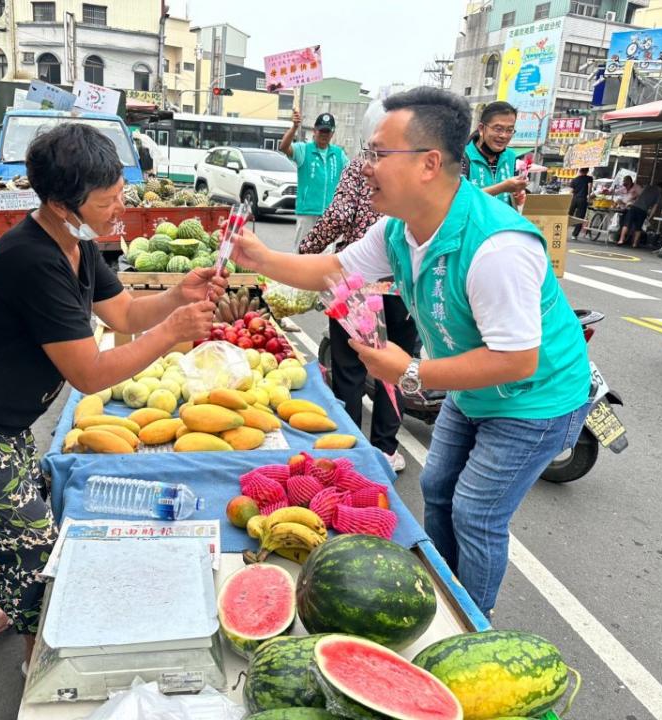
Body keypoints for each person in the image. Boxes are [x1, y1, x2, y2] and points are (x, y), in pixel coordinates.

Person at [228, 87, 591, 616]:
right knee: (437, 486)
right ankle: (444, 590)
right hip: (473, 391)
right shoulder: (398, 229)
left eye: (377, 153)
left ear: (428, 164)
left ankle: (473, 622)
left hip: (535, 400)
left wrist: (412, 370)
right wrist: (259, 256)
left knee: (476, 512)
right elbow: (333, 271)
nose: (365, 166)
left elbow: (517, 360)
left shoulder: (498, 247)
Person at [0, 123, 225, 669]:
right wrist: (171, 333)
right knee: (28, 542)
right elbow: (91, 374)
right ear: (60, 202)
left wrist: (174, 298)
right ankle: (40, 665)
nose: (120, 205)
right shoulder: (33, 260)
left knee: (10, 511)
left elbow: (121, 313)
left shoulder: (75, 242)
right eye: (108, 199)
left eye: (120, 190)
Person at [298, 100, 417, 473]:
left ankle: (349, 448)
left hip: (355, 285)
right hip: (404, 286)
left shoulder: (357, 168)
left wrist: (307, 250)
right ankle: (385, 448)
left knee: (349, 368)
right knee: (394, 369)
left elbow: (337, 217)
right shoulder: (420, 171)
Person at [281, 109, 349, 248]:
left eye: (327, 131)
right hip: (307, 212)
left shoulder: (338, 154)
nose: (324, 134)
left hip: (329, 214)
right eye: (321, 131)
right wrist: (294, 127)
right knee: (303, 250)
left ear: (332, 133)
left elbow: (351, 172)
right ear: (314, 130)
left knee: (326, 254)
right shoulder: (304, 149)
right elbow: (284, 147)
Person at [462, 101, 527, 209]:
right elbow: (460, 199)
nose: (503, 135)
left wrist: (516, 197)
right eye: (498, 129)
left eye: (509, 130)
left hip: (503, 225)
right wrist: (502, 188)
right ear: (481, 128)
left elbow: (510, 201)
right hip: (474, 225)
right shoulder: (462, 157)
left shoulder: (510, 156)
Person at [618, 181, 662, 247]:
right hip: (643, 211)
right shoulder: (659, 195)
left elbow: (637, 195)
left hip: (634, 207)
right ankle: (634, 244)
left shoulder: (647, 187)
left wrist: (627, 202)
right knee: (638, 227)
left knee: (626, 224)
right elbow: (655, 207)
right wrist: (650, 217)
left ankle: (621, 240)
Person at [569, 167, 593, 239]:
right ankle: (574, 235)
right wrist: (588, 197)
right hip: (582, 199)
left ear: (579, 171)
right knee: (580, 217)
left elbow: (571, 191)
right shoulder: (589, 178)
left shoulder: (575, 179)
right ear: (587, 171)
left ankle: (563, 230)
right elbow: (589, 187)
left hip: (574, 199)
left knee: (569, 215)